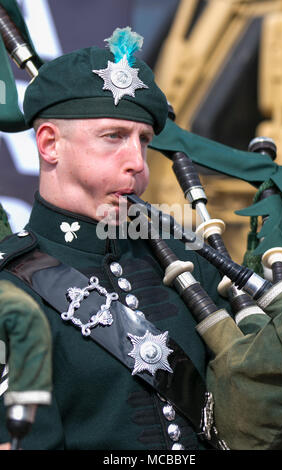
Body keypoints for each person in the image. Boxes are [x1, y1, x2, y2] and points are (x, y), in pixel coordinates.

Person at [0, 28, 230, 450]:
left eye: (143, 140)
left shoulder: (185, 259)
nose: (138, 164)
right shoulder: (10, 290)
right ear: (50, 144)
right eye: (114, 137)